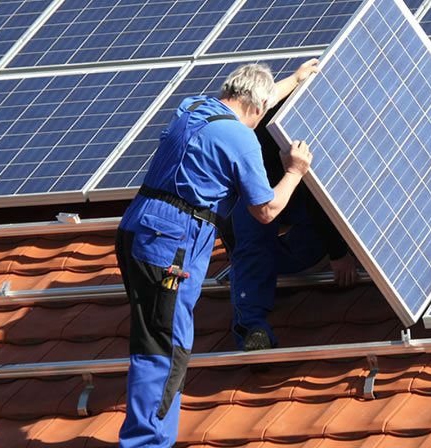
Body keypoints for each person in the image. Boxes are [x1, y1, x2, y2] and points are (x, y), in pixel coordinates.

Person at [114, 59, 319, 447]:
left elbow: (257, 98)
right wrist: (294, 171)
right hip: (172, 247)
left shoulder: (193, 109)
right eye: (262, 111)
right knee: (167, 344)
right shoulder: (240, 139)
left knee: (150, 337)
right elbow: (266, 211)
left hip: (136, 231)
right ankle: (147, 442)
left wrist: (295, 79)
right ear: (257, 109)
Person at [219, 96, 361, 352]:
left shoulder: (324, 120)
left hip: (302, 200)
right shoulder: (252, 140)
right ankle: (252, 328)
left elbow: (318, 193)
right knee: (249, 231)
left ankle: (289, 259)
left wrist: (339, 251)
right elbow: (231, 214)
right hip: (264, 197)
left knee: (317, 207)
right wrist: (338, 255)